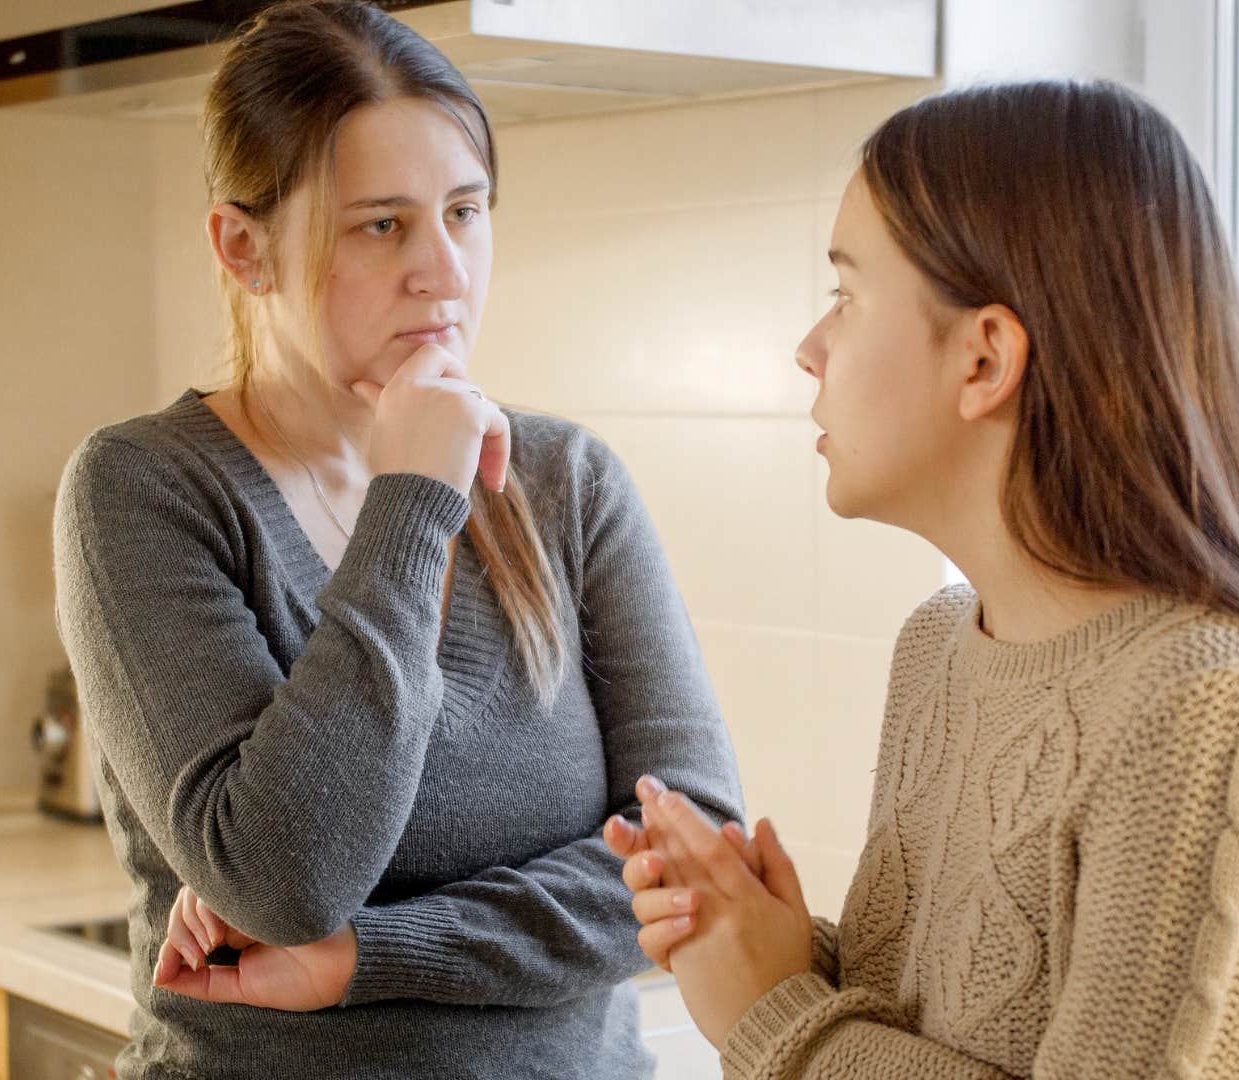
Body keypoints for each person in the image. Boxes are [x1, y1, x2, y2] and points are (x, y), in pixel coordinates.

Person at [609, 80, 1239, 1079]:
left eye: (846, 297)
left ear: (984, 360)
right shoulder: (938, 646)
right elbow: (945, 1023)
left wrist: (775, 1017)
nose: (810, 350)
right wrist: (764, 945)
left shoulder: (1203, 705)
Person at [51, 2, 741, 1076]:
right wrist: (413, 497)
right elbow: (284, 880)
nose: (445, 271)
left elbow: (693, 857)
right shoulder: (143, 489)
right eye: (382, 226)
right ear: (243, 247)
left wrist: (363, 956)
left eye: (465, 211)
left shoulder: (568, 480)